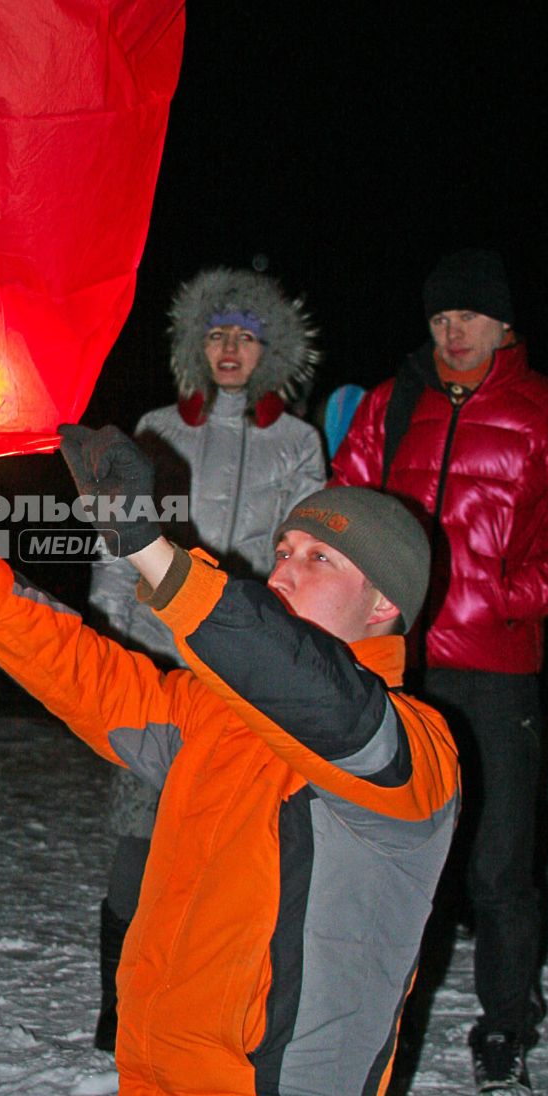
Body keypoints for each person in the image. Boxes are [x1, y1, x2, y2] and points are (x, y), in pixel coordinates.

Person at [0, 427, 459, 1096]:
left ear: (383, 603)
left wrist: (149, 549)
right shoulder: (208, 720)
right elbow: (84, 672)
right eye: (283, 553)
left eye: (319, 559)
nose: (286, 569)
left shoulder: (403, 755)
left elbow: (304, 685)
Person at [332, 248, 548, 1096]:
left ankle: (504, 1035)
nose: (452, 332)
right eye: (440, 318)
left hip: (500, 673)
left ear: (505, 324)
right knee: (387, 856)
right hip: (400, 668)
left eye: (468, 317)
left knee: (504, 866)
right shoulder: (392, 407)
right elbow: (341, 513)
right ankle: (363, 1027)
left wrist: (503, 593)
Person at [87, 267, 324, 1048]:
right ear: (197, 344)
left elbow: (308, 552)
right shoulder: (158, 428)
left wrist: (287, 645)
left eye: (246, 337)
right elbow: (120, 534)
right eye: (217, 334)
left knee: (240, 844)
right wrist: (118, 622)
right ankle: (120, 1004)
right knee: (140, 838)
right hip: (161, 662)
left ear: (270, 351)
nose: (229, 349)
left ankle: (219, 1004)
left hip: (248, 670)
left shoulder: (297, 443)